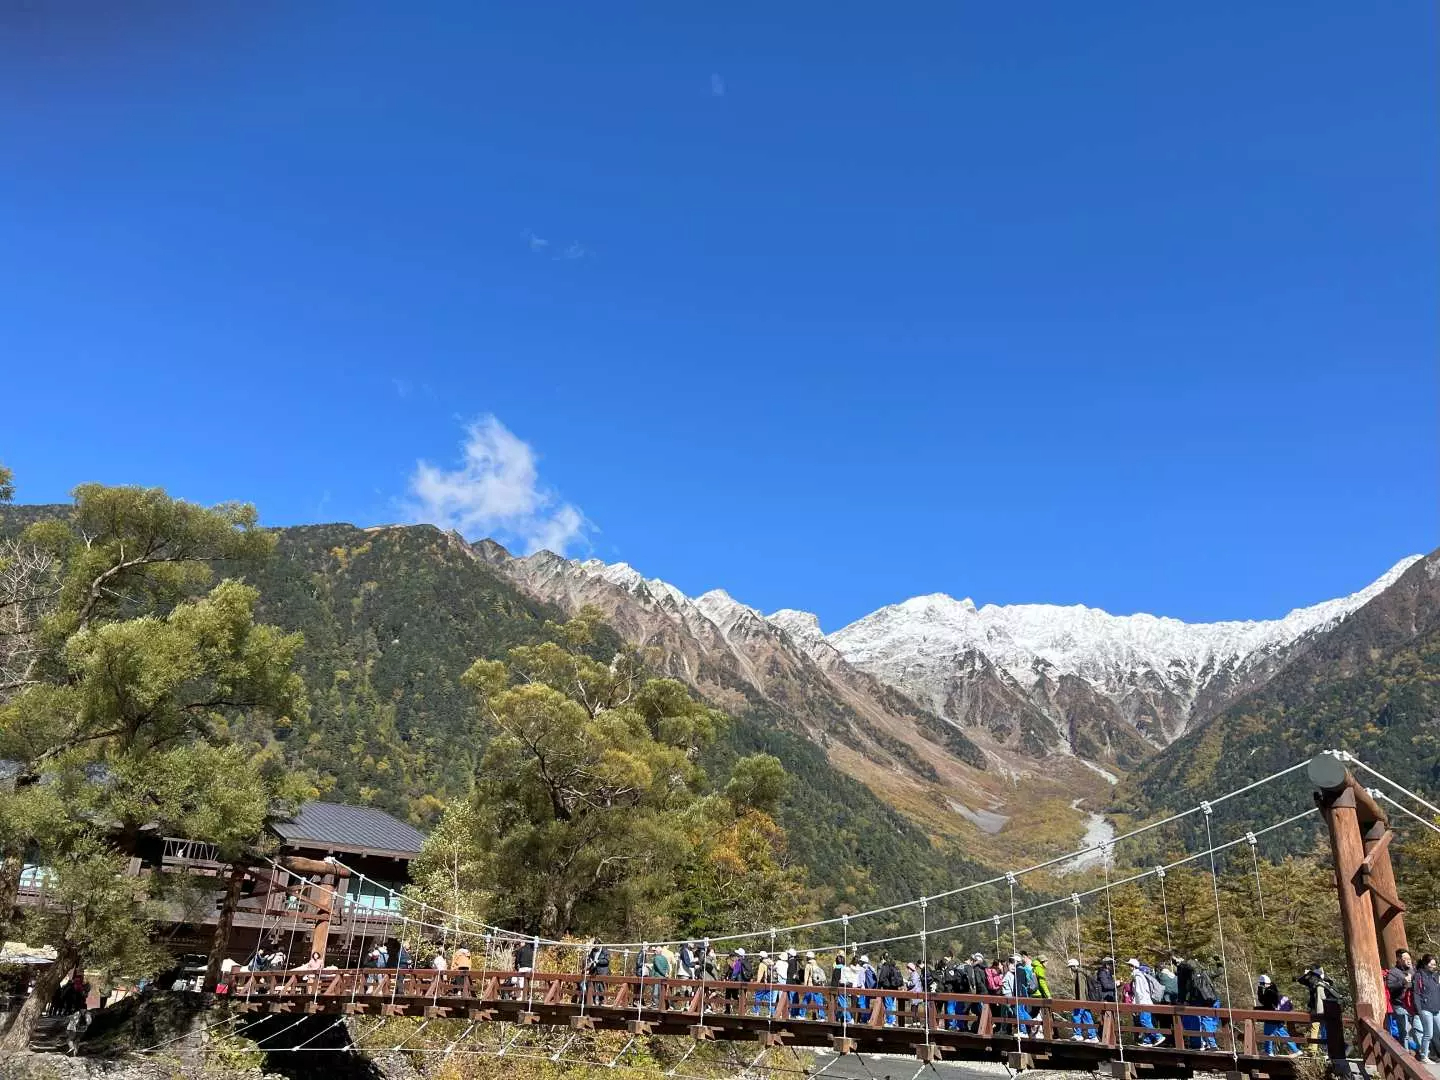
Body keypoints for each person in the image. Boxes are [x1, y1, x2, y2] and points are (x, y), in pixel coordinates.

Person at [1298, 964, 1339, 1055]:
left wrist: (1308, 974)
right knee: (1320, 1028)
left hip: (1319, 1008)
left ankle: (1316, 1049)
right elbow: (1300, 980)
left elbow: (1301, 980)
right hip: (1323, 1008)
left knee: (1317, 1027)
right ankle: (1320, 1049)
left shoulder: (1317, 982)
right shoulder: (1319, 981)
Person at [1257, 974, 1301, 1056]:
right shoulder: (1273, 989)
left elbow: (1264, 1001)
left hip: (1272, 1017)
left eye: (1261, 984)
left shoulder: (1269, 992)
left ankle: (1268, 1052)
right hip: (1277, 1017)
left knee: (1268, 1034)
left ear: (1264, 983)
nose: (1261, 986)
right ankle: (1296, 1050)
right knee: (1283, 1034)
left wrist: (1259, 991)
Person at [1387, 949, 1416, 1052]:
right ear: (1399, 959)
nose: (1408, 961)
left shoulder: (1413, 970)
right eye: (1405, 959)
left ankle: (1419, 1052)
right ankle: (1406, 1053)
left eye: (1409, 958)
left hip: (1413, 1005)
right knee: (1405, 1031)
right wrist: (1403, 982)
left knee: (1417, 1029)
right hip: (1400, 1005)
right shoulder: (1393, 972)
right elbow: (1390, 986)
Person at [1413, 954, 1440, 1064]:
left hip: (1436, 1009)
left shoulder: (1435, 976)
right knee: (1429, 1033)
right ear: (1425, 964)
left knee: (1438, 1032)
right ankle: (1424, 1055)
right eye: (1431, 964)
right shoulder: (1419, 976)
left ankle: (1435, 1053)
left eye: (1435, 964)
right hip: (1425, 1009)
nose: (1434, 966)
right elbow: (1416, 994)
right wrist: (1419, 1010)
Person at [1128, 958, 1160, 1045]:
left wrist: (1137, 1005)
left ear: (1134, 967)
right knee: (1146, 1021)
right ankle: (1148, 1040)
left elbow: (1139, 992)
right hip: (1145, 1002)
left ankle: (1158, 1036)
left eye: (1130, 966)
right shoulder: (1139, 975)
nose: (1129, 967)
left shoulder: (1138, 976)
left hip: (1144, 1003)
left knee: (1144, 1021)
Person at [1068, 958, 1097, 1041]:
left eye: (1071, 967)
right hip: (1085, 1000)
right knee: (1087, 1017)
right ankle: (1093, 1036)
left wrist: (1080, 1002)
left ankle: (1078, 1034)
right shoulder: (1082, 972)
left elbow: (1081, 988)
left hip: (1082, 1000)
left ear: (1074, 966)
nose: (1071, 969)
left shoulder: (1079, 974)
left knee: (1076, 1015)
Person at [877, 953, 903, 1026]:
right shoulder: (894, 966)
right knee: (892, 1004)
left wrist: (880, 985)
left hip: (887, 988)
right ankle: (893, 1020)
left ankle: (889, 1022)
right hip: (894, 987)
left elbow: (881, 978)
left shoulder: (885, 966)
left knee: (888, 1005)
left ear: (884, 959)